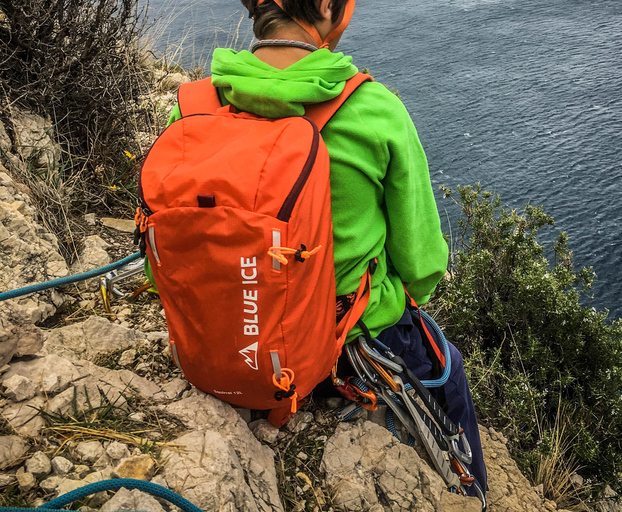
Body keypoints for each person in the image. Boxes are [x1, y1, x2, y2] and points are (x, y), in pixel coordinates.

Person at [162, 0, 488, 496]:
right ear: (326, 8)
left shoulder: (192, 108)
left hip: (221, 328)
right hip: (349, 343)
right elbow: (422, 265)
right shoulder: (374, 111)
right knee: (451, 372)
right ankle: (474, 496)